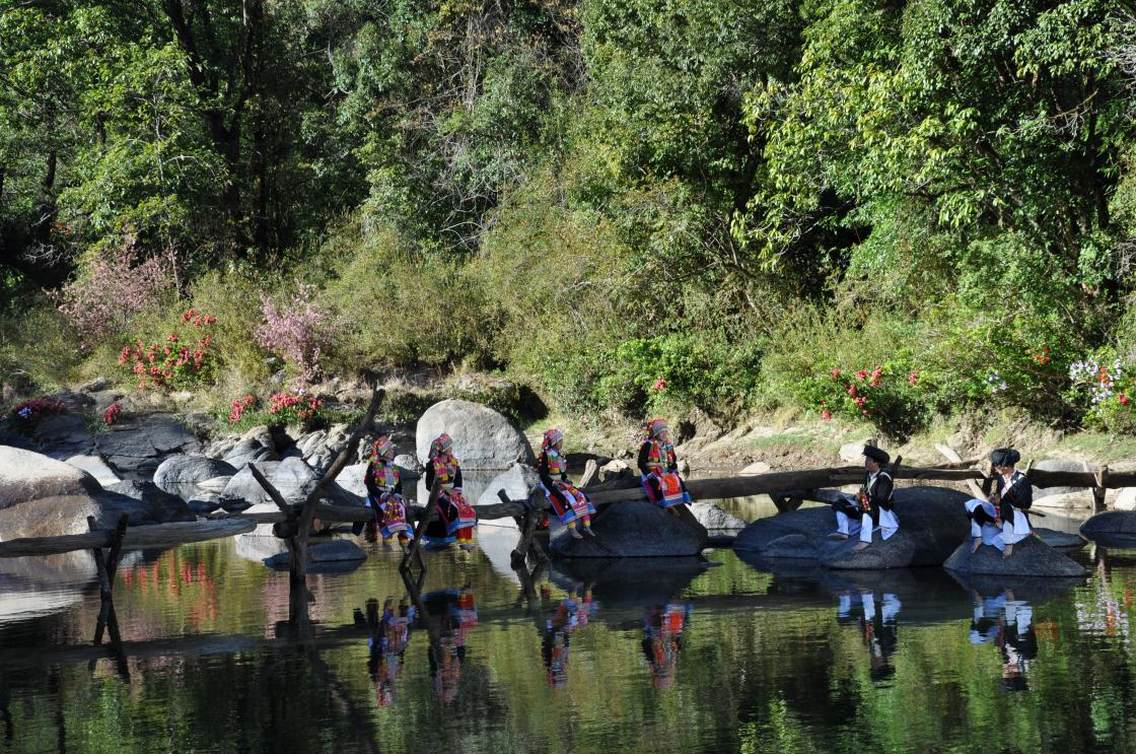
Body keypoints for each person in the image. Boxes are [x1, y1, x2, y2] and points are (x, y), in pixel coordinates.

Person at [829, 445, 898, 551]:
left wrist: (864, 498)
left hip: (882, 512)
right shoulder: (867, 475)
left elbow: (881, 500)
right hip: (866, 506)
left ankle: (865, 540)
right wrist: (860, 497)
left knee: (867, 506)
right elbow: (865, 492)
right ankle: (843, 531)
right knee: (839, 503)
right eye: (866, 459)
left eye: (869, 460)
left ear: (876, 463)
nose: (866, 462)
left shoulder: (884, 478)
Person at [538, 428, 596, 539]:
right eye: (560, 441)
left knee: (581, 496)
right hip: (549, 484)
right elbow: (543, 474)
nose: (562, 443)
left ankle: (587, 525)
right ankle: (572, 528)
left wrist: (565, 479)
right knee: (566, 500)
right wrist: (552, 482)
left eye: (562, 441)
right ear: (554, 442)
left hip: (561, 483)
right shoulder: (545, 456)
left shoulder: (558, 454)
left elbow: (561, 473)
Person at [422, 433, 477, 550]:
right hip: (438, 495)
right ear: (443, 449)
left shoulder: (453, 462)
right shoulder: (432, 464)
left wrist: (456, 493)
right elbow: (428, 485)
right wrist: (446, 491)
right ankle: (461, 539)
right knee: (454, 508)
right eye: (449, 447)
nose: (451, 449)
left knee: (466, 507)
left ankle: (467, 539)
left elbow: (458, 479)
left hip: (453, 493)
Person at [360, 436, 410, 545]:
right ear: (384, 451)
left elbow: (398, 485)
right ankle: (388, 533)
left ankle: (404, 536)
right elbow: (370, 484)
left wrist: (397, 494)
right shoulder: (374, 465)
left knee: (402, 506)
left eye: (392, 449)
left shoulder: (394, 467)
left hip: (392, 495)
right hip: (377, 495)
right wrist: (382, 494)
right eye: (390, 449)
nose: (393, 451)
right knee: (387, 508)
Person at [638, 418, 692, 513]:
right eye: (661, 432)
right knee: (658, 483)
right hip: (651, 471)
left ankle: (676, 502)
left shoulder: (668, 445)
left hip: (665, 471)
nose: (664, 434)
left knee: (676, 480)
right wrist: (649, 473)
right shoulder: (648, 445)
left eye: (665, 432)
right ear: (656, 433)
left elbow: (673, 461)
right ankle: (663, 504)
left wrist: (673, 471)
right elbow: (641, 463)